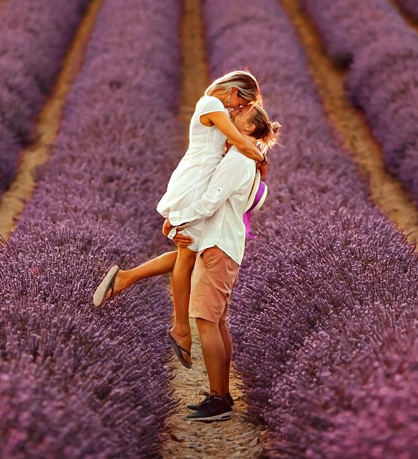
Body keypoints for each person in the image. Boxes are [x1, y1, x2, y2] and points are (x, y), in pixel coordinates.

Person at [94, 71, 268, 369]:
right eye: (242, 102)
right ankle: (180, 328)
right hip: (195, 183)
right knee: (187, 256)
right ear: (233, 91)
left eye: (244, 108)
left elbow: (239, 142)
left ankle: (127, 278)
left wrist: (258, 152)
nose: (238, 109)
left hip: (198, 183)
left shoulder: (218, 109)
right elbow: (239, 140)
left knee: (189, 250)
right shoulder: (210, 105)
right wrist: (261, 158)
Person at [169, 106, 281, 422]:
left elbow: (210, 202)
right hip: (224, 244)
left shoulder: (238, 160)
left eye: (238, 119)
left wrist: (175, 221)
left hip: (218, 245)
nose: (230, 121)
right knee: (216, 321)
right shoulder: (249, 159)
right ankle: (222, 394)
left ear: (250, 129)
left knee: (205, 320)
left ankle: (219, 399)